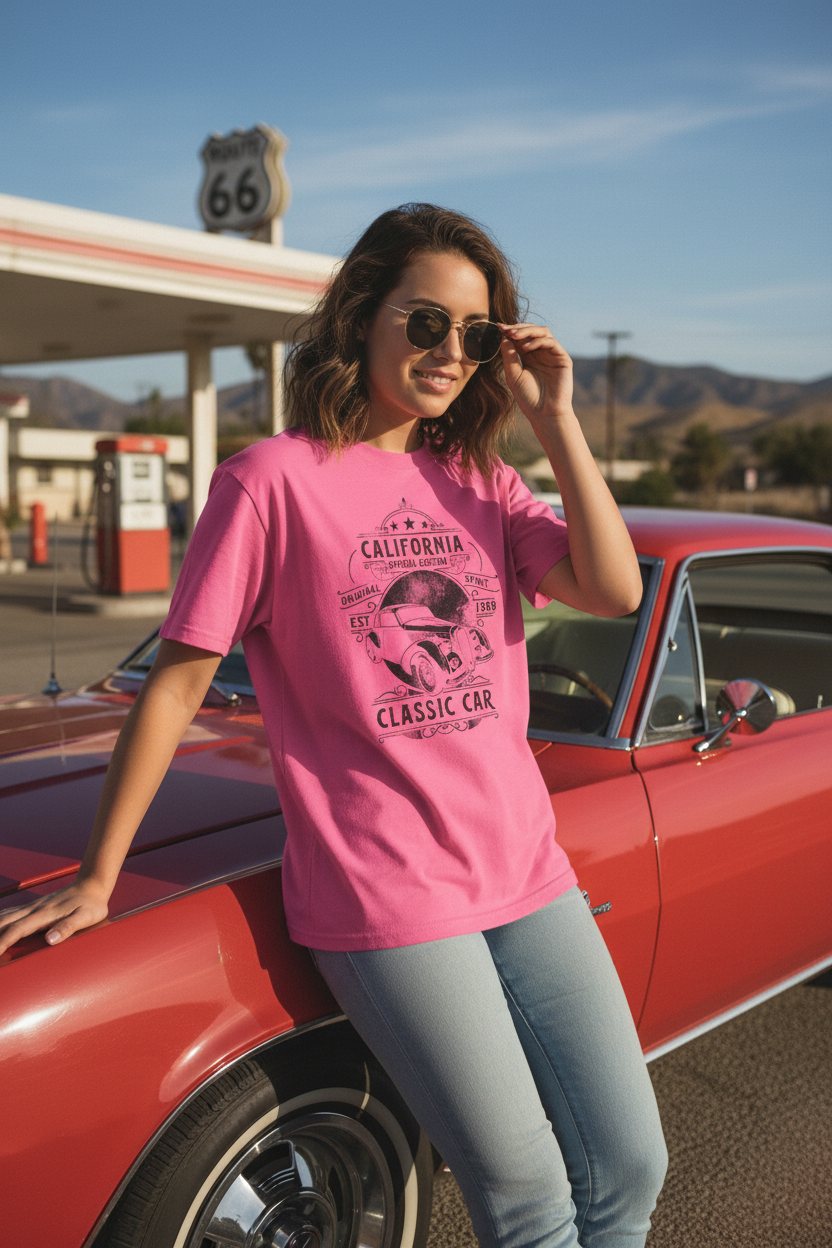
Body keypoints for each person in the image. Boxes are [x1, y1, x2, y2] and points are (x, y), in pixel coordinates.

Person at [0, 204, 666, 1247]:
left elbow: (616, 589)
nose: (452, 350)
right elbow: (177, 682)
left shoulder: (482, 480)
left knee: (630, 1166)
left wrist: (555, 423)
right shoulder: (268, 481)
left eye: (476, 333)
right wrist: (97, 874)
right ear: (362, 316)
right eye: (427, 322)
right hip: (388, 890)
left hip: (525, 871)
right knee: (529, 1197)